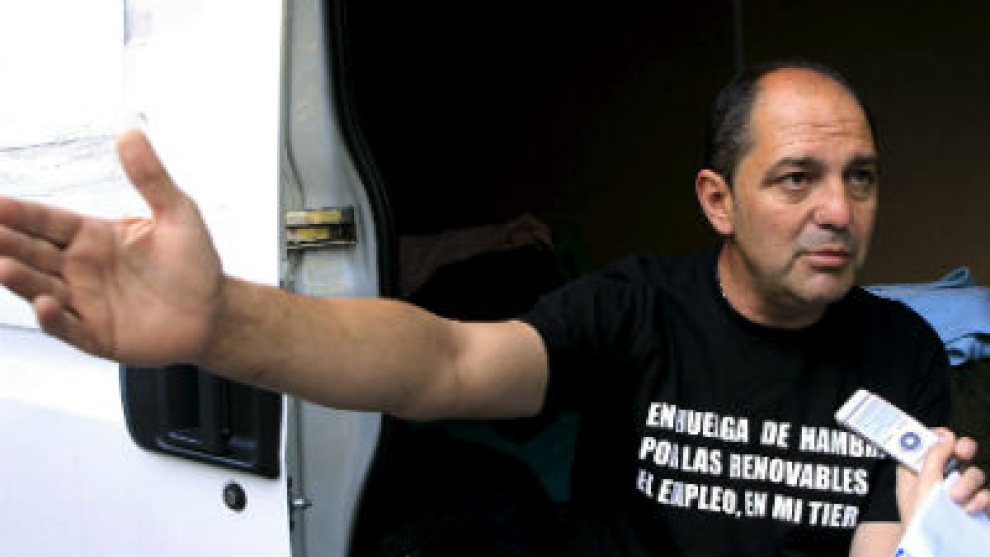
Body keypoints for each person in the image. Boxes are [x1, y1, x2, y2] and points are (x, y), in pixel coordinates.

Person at [0, 61, 986, 556]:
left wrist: (935, 534)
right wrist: (223, 322)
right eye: (797, 178)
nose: (838, 210)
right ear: (718, 200)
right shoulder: (639, 308)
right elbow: (444, 362)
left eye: (861, 177)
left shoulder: (898, 347)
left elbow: (882, 541)